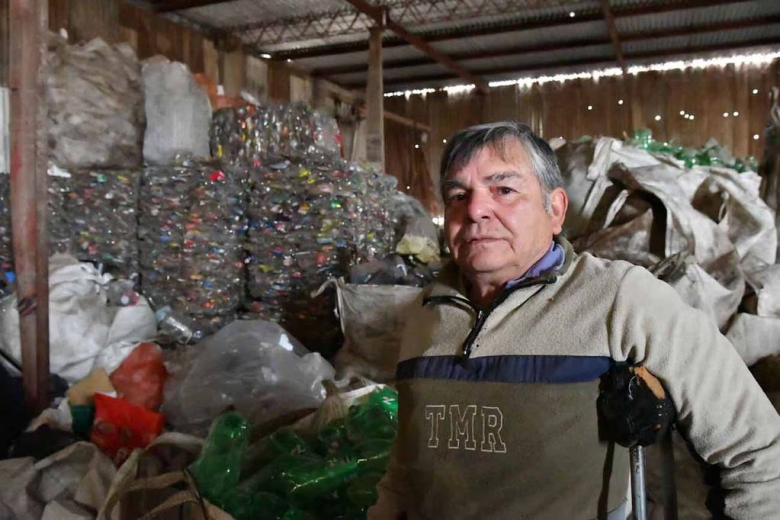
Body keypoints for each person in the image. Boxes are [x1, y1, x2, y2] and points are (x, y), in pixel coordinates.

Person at [368, 121, 780, 520]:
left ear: (556, 210)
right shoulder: (425, 313)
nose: (476, 209)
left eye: (505, 189)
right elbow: (407, 463)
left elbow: (757, 452)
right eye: (458, 195)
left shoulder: (620, 299)